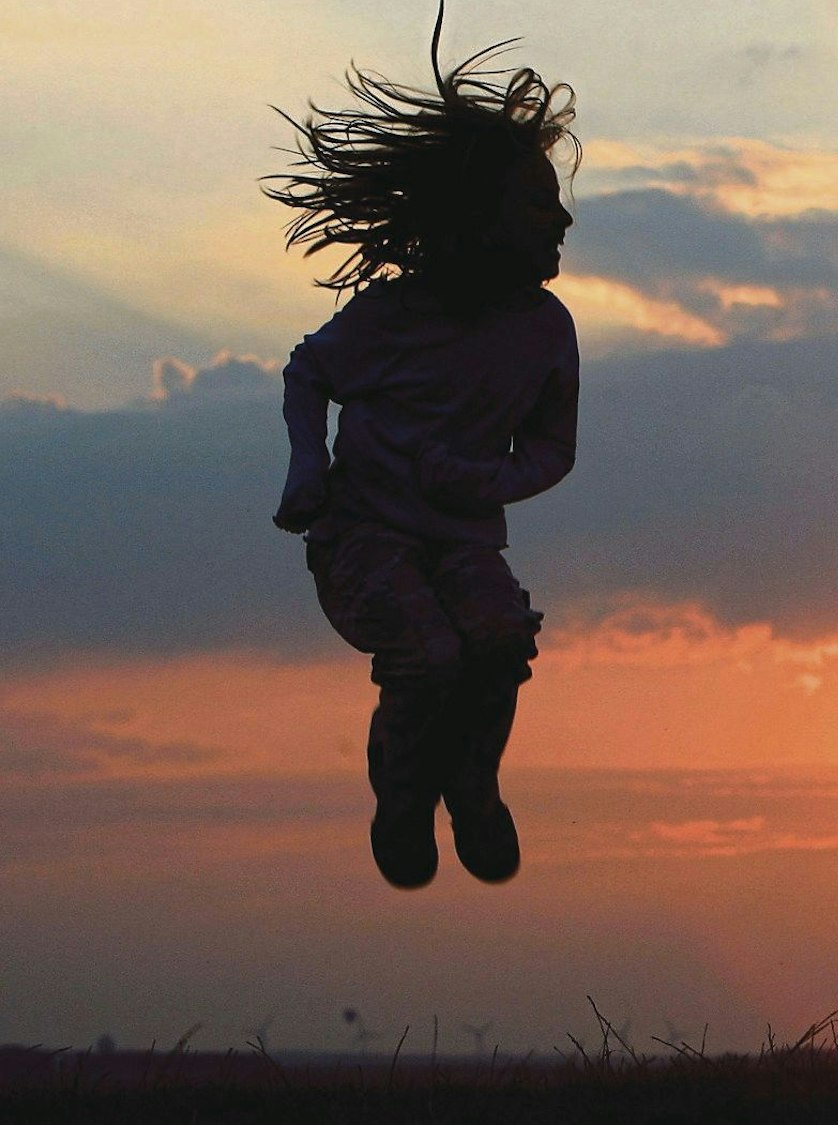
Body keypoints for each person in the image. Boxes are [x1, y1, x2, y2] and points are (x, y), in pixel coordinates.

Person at [266, 7, 580, 888]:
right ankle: (403, 796)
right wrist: (309, 468)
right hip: (364, 537)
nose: (561, 220)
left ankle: (473, 787)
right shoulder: (393, 315)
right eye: (538, 201)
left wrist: (487, 477)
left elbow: (555, 448)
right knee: (429, 653)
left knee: (495, 636)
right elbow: (307, 375)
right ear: (479, 214)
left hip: (465, 540)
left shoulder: (546, 331)